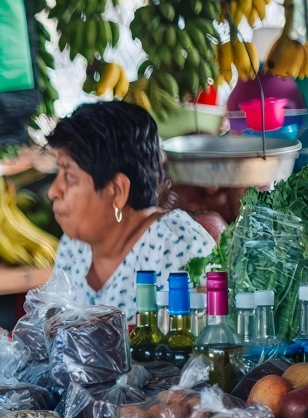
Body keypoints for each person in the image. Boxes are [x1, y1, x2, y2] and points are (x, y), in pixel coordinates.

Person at [47, 101, 215, 319]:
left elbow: (215, 340)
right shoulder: (73, 248)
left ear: (117, 191)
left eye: (69, 176)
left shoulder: (182, 247)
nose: (53, 191)